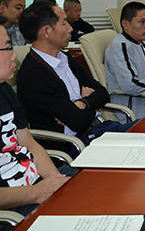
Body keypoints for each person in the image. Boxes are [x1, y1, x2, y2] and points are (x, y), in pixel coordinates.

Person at [16, 2, 135, 152]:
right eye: (64, 23)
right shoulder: (34, 75)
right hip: (75, 145)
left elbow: (102, 93)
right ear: (46, 32)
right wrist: (88, 102)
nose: (71, 28)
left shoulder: (65, 58)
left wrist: (82, 103)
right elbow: (78, 122)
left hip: (98, 130)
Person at [0, 15, 75, 227]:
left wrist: (55, 180)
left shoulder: (4, 90)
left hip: (37, 182)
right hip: (14, 205)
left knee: (105, 188)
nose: (14, 56)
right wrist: (36, 193)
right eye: (7, 49)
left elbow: (29, 143)